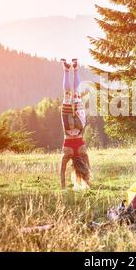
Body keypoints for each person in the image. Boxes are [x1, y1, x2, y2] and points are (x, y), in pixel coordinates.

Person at [59, 58, 90, 189]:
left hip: (79, 128)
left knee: (76, 94)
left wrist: (89, 183)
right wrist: (63, 186)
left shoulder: (83, 153)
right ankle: (66, 69)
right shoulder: (67, 154)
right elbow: (61, 171)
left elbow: (88, 170)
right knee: (67, 95)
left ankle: (74, 68)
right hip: (68, 129)